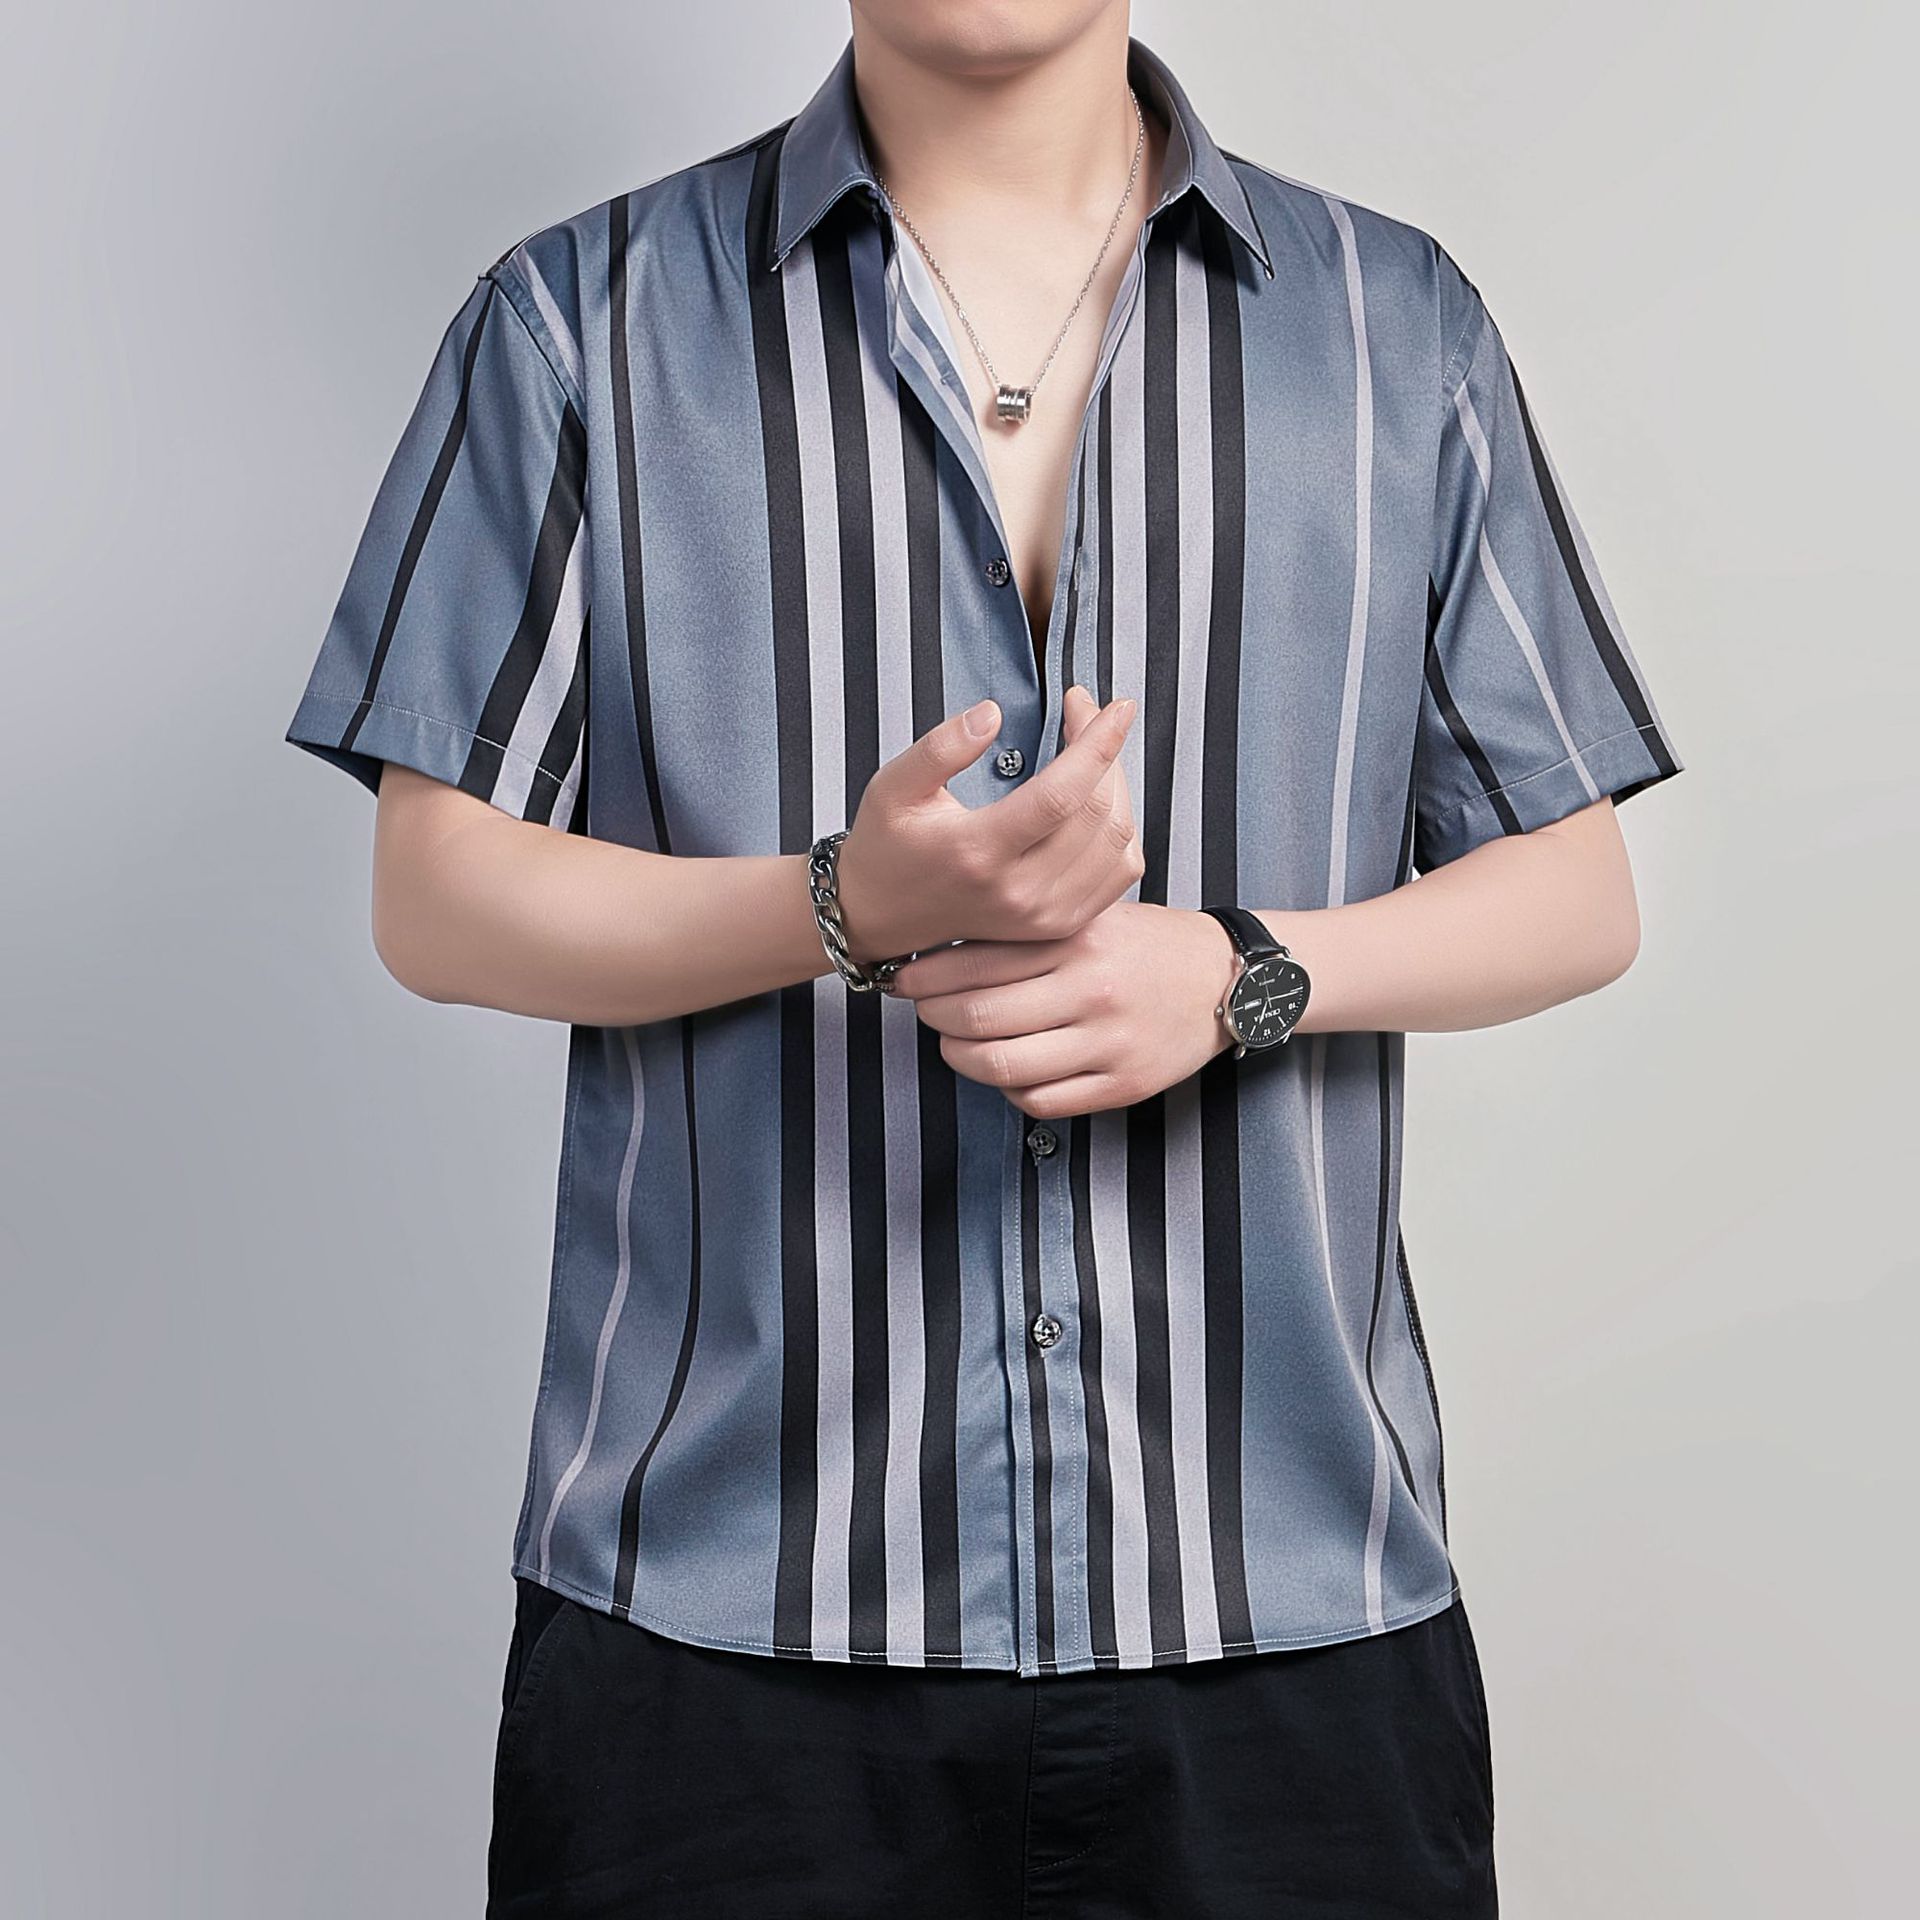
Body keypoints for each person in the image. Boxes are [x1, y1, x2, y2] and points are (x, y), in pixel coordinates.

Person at [284, 1, 1685, 1912]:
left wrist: (1235, 977)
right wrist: (840, 905)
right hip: (723, 1628)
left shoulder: (1390, 324)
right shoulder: (579, 321)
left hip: (1283, 1605)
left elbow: (1576, 888)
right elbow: (435, 896)